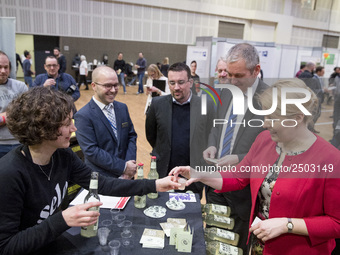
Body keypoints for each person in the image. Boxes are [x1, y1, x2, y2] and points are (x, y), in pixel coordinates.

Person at [0, 86, 179, 254]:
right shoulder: (9, 174)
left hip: (51, 241)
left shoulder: (62, 155)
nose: (74, 128)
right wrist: (61, 220)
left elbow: (103, 184)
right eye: (67, 123)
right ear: (43, 130)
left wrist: (154, 184)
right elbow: (6, 246)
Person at [170, 79, 340, 255]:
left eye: (272, 118)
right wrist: (199, 173)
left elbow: (337, 222)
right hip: (259, 246)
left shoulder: (331, 160)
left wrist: (287, 225)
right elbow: (238, 176)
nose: (265, 124)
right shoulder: (264, 140)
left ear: (297, 118)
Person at [203, 43, 269, 253]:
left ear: (256, 70)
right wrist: (212, 144)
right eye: (228, 74)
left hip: (243, 193)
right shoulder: (228, 90)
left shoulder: (269, 100)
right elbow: (217, 125)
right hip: (215, 184)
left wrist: (239, 157)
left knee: (235, 246)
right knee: (213, 239)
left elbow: (275, 150)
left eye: (238, 75)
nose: (231, 81)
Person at [145, 62, 215, 196]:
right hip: (164, 172)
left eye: (181, 82)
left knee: (190, 213)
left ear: (190, 82)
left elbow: (210, 134)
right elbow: (151, 135)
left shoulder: (206, 105)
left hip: (193, 174)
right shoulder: (157, 105)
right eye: (172, 83)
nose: (176, 87)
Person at [74, 66, 137, 179]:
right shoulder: (83, 116)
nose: (113, 90)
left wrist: (129, 165)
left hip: (128, 175)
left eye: (115, 85)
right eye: (108, 86)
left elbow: (131, 136)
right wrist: (123, 167)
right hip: (103, 179)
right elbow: (92, 151)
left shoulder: (122, 108)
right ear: (94, 86)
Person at [0, 51, 28, 158]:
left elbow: (28, 113)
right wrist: (15, 113)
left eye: (6, 67)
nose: (3, 71)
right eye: (0, 67)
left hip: (20, 141)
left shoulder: (20, 86)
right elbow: (21, 112)